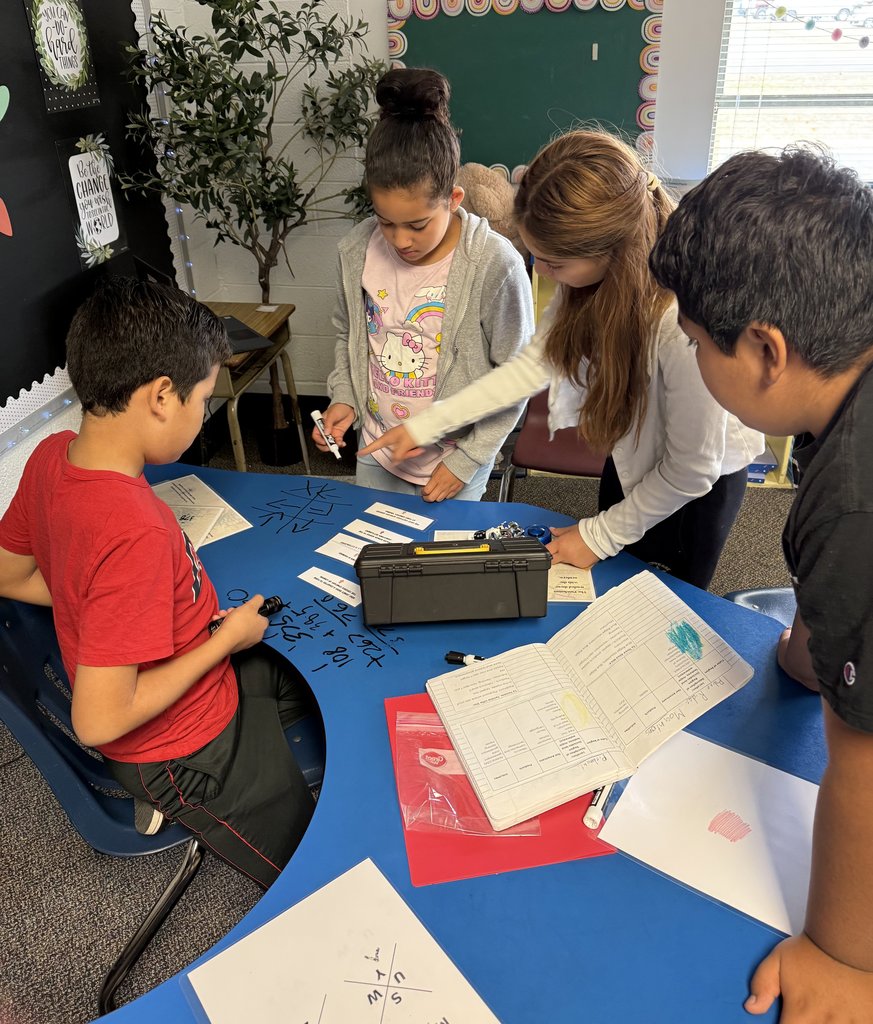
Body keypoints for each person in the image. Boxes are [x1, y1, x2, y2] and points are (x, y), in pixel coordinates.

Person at [649, 146, 873, 1022]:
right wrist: (820, 643)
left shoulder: (854, 501)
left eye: (698, 344)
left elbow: (860, 748)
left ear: (766, 350)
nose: (695, 358)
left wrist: (839, 954)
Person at [0, 277, 316, 889]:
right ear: (162, 395)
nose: (204, 415)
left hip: (197, 678)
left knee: (326, 688)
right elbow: (97, 721)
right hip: (183, 751)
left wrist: (86, 603)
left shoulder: (51, 457)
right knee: (317, 864)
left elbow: (7, 573)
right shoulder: (136, 531)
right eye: (203, 400)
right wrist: (223, 643)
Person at [359, 130, 763, 588]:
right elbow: (533, 365)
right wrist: (430, 424)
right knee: (617, 582)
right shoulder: (590, 281)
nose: (542, 271)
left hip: (694, 488)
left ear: (612, 250)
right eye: (537, 256)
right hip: (634, 450)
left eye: (553, 262)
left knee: (667, 603)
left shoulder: (678, 321)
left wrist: (600, 534)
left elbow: (692, 470)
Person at [313, 67, 534, 502]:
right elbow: (350, 335)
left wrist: (468, 460)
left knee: (442, 564)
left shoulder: (494, 265)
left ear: (453, 199)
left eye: (416, 224)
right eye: (385, 221)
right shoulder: (355, 251)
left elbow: (517, 375)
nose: (400, 240)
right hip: (376, 451)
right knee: (370, 557)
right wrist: (345, 401)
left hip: (453, 460)